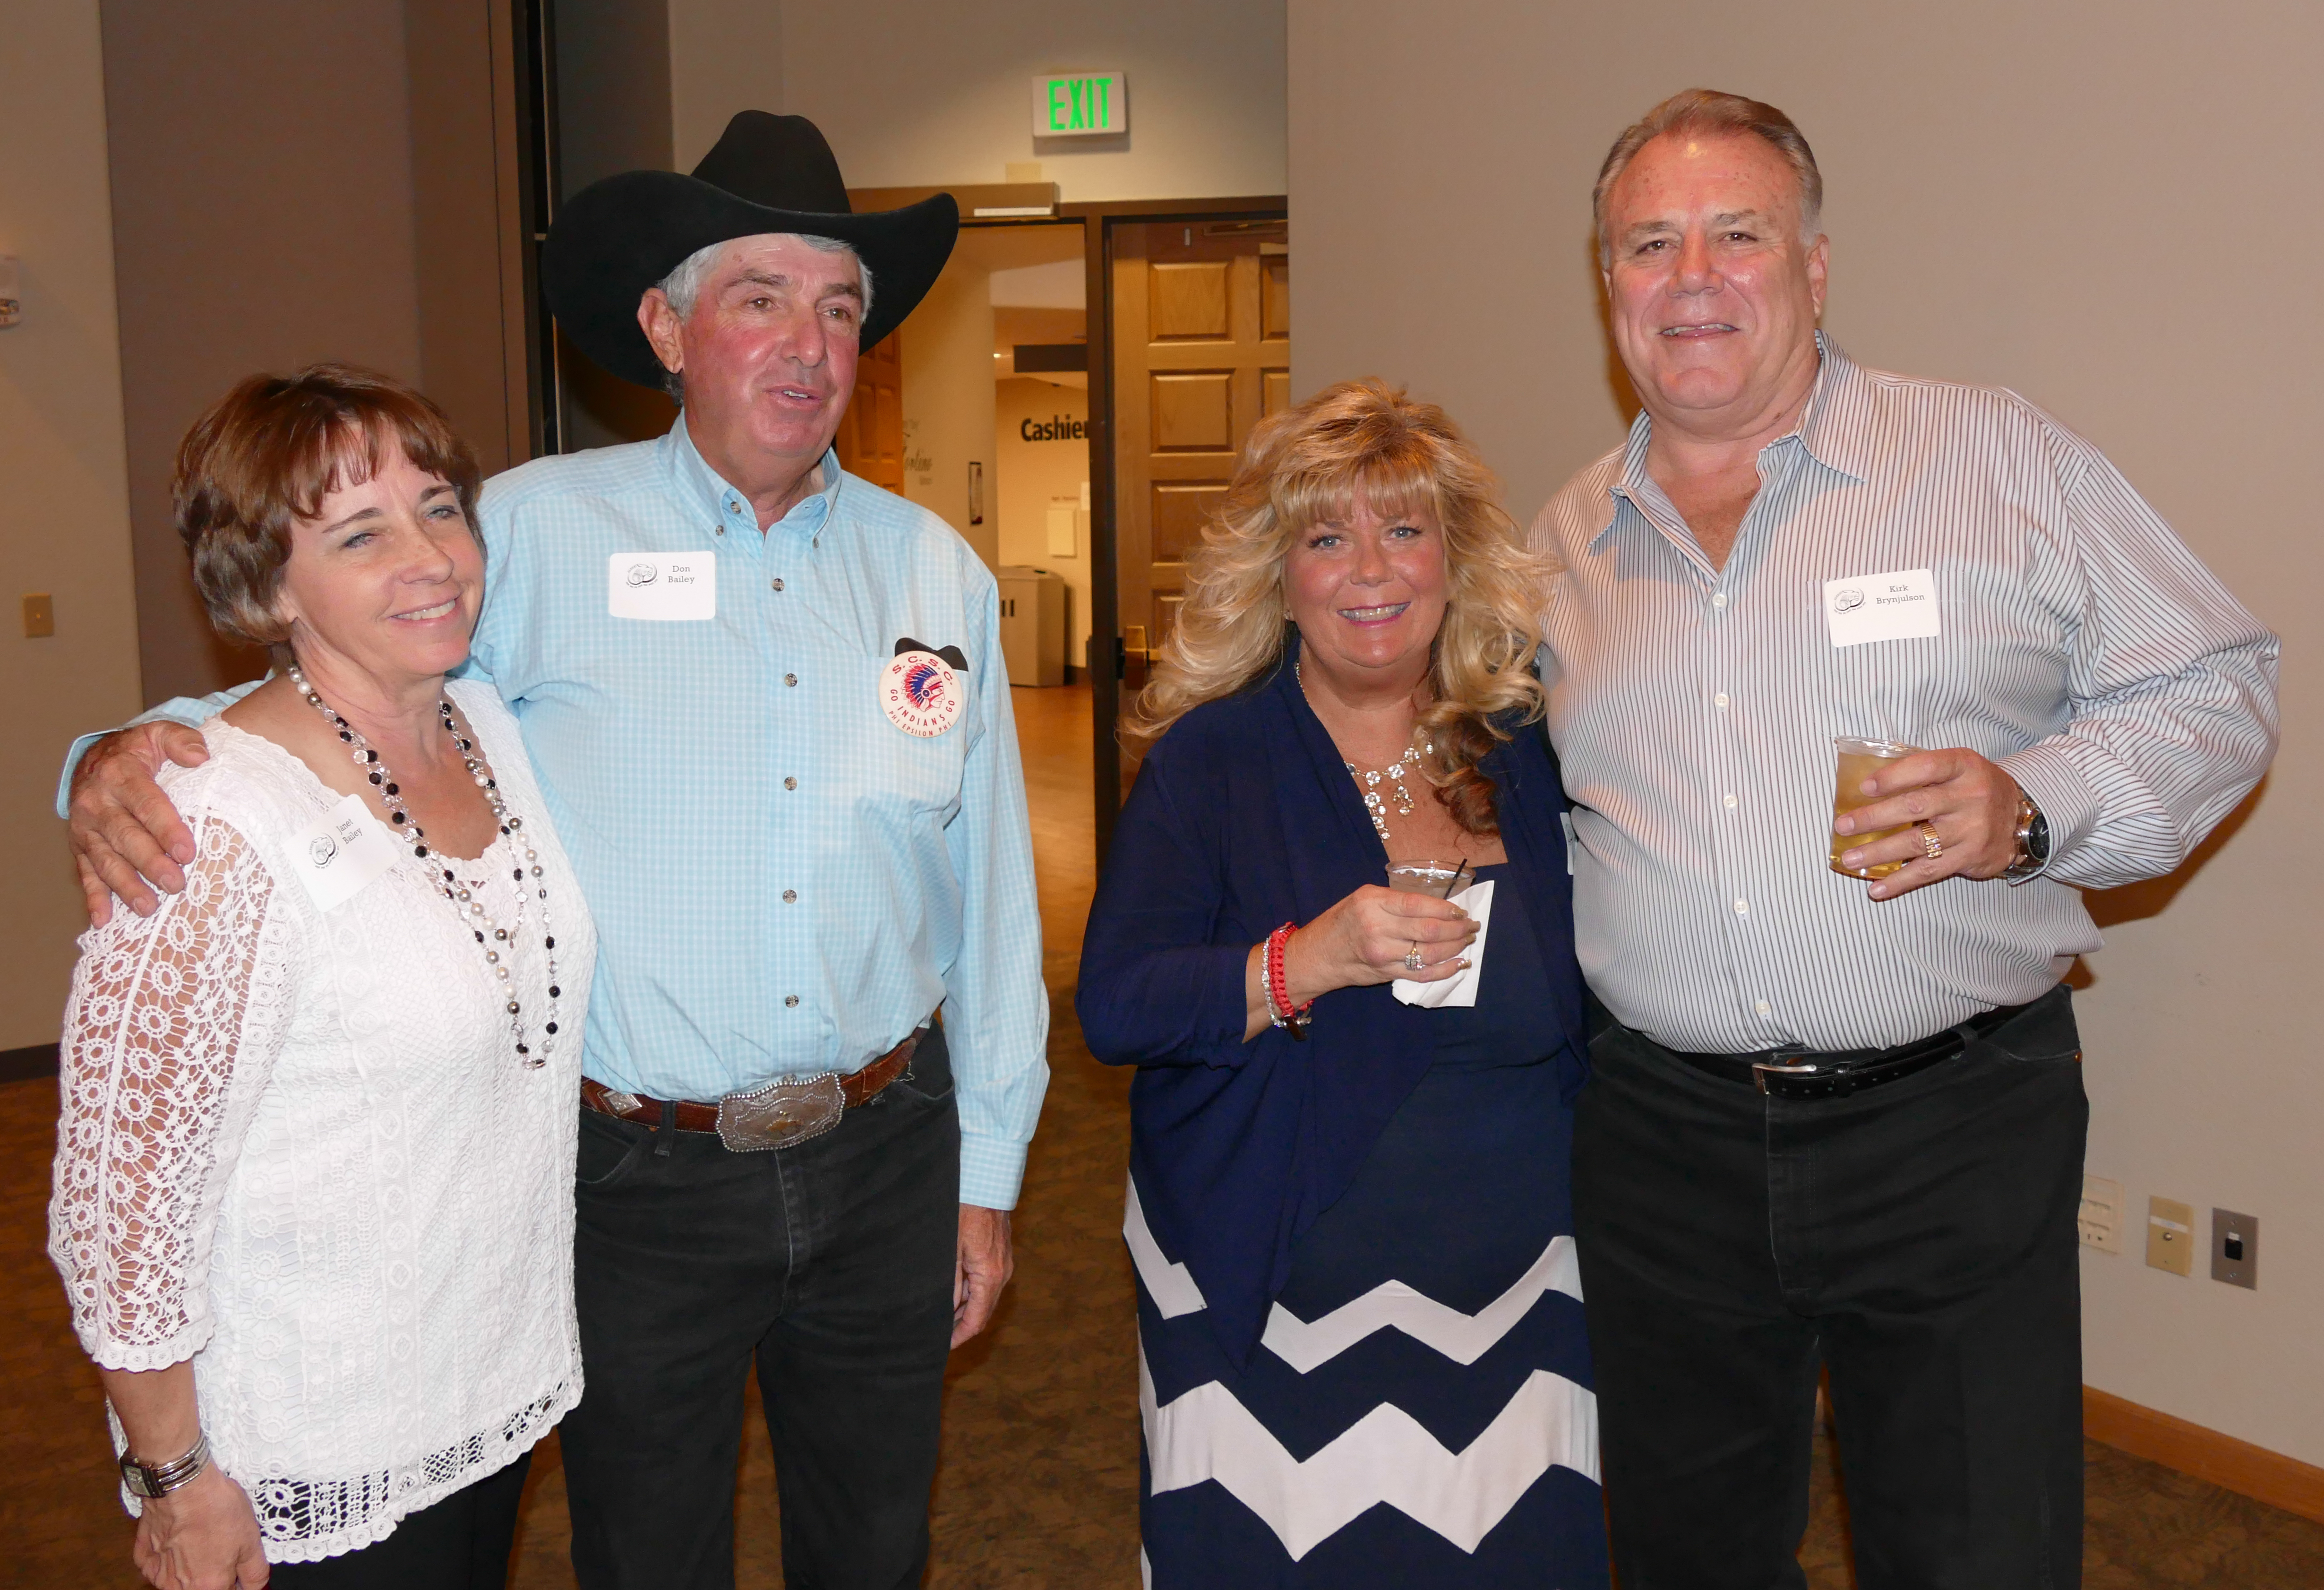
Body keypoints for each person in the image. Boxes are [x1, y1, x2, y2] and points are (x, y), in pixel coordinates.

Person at [61, 113, 1048, 1590]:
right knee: (647, 1552)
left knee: (878, 1545)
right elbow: (349, 678)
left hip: (888, 1150)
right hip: (635, 1175)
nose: (808, 344)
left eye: (841, 307)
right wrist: (122, 754)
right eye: (759, 298)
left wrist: (988, 1171)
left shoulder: (936, 575)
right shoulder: (525, 535)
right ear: (664, 326)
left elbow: (993, 903)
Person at [1535, 89, 2280, 1589]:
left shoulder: (1994, 457)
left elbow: (2219, 680)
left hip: (1949, 1126)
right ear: (1609, 286)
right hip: (1662, 1141)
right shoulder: (1561, 547)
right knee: (1689, 1552)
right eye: (1648, 244)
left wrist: (2034, 803)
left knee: (1973, 1544)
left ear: (1814, 267)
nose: (1691, 277)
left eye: (1735, 234)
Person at [49, 366, 597, 1587]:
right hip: (306, 1440)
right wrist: (175, 1476)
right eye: (360, 532)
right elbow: (119, 1213)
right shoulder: (212, 828)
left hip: (480, 1387)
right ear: (265, 584)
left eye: (441, 507)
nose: (431, 557)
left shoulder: (488, 727)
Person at [1079, 381, 1608, 1587]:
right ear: (1280, 572)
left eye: (1405, 529)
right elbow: (1118, 1006)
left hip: (1522, 1288)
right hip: (1278, 1287)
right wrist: (1301, 961)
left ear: (1454, 556)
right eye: (1328, 537)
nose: (1371, 569)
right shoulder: (1213, 759)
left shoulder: (1519, 746)